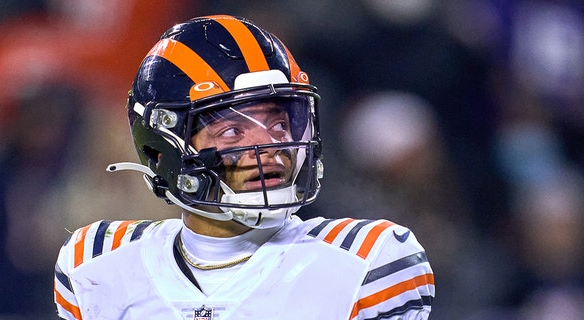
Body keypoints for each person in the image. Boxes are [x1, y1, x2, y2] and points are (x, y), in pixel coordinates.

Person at [53, 14, 434, 319]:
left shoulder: (368, 264)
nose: (269, 147)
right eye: (232, 130)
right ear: (162, 150)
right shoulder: (98, 266)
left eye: (280, 123)